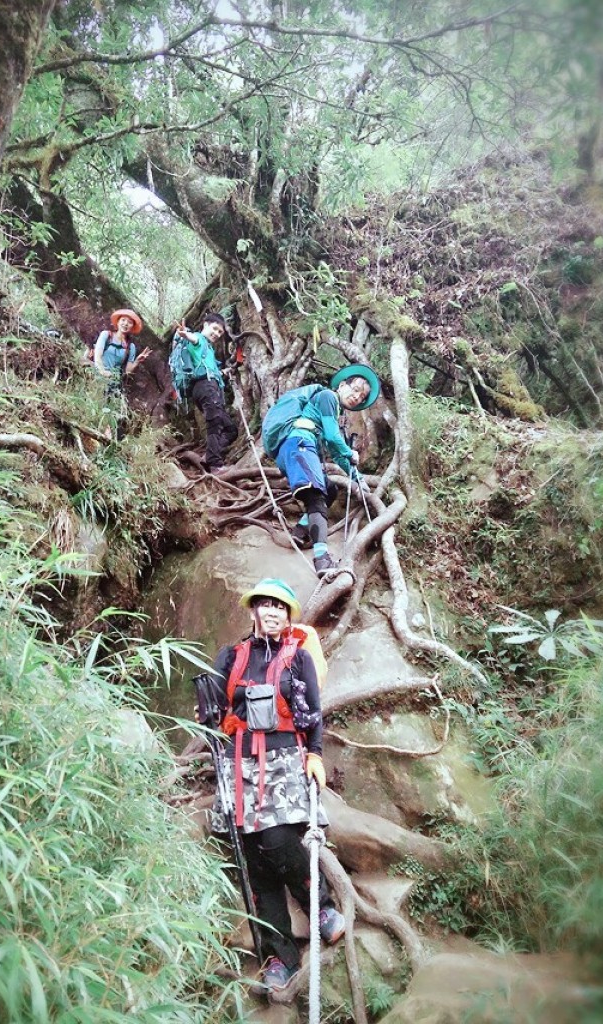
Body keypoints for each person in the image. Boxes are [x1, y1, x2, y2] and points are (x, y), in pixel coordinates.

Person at [208, 578, 345, 993]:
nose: (271, 612)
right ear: (253, 611)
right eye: (264, 605)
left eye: (280, 607)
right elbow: (214, 712)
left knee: (275, 841)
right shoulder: (230, 655)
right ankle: (277, 956)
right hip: (239, 764)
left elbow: (314, 713)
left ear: (288, 615)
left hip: (285, 761)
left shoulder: (299, 657)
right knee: (253, 859)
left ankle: (319, 906)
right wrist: (209, 709)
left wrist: (316, 754)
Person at [262, 364, 380, 578]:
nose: (357, 398)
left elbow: (336, 453)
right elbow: (335, 440)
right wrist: (350, 452)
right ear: (342, 385)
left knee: (330, 490)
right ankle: (322, 559)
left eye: (361, 397)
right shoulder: (328, 397)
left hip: (299, 450)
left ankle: (300, 532)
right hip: (299, 444)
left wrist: (357, 478)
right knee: (316, 497)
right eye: (355, 390)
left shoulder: (334, 413)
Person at [170, 312, 238, 474]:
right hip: (205, 387)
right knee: (214, 424)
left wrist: (224, 372)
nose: (216, 334)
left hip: (209, 388)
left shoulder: (207, 349)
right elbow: (193, 338)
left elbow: (210, 369)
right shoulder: (199, 339)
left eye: (220, 332)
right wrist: (185, 334)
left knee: (231, 430)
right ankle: (215, 465)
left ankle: (209, 455)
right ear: (206, 324)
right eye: (214, 329)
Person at [94, 308, 151, 393]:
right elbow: (97, 355)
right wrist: (102, 371)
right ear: (118, 322)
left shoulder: (131, 347)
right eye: (123, 320)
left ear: (132, 327)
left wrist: (137, 361)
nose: (125, 324)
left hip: (113, 383)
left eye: (130, 322)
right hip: (97, 377)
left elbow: (128, 371)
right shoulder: (106, 335)